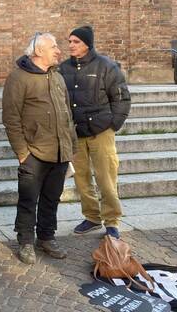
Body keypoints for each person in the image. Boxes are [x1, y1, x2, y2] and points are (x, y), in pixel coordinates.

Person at [2, 32, 77, 264]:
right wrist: (23, 153)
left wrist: (70, 145)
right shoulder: (19, 77)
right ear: (38, 52)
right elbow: (11, 118)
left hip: (60, 151)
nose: (58, 51)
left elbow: (67, 112)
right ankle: (25, 241)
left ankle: (46, 236)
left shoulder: (57, 77)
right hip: (33, 153)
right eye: (53, 47)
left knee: (51, 198)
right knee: (28, 200)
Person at [58, 26, 131, 239]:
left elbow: (121, 98)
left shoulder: (107, 67)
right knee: (81, 179)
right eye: (69, 41)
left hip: (101, 132)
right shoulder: (62, 69)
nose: (71, 45)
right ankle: (91, 217)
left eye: (76, 42)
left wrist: (112, 124)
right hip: (76, 134)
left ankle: (111, 220)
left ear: (87, 44)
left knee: (106, 178)